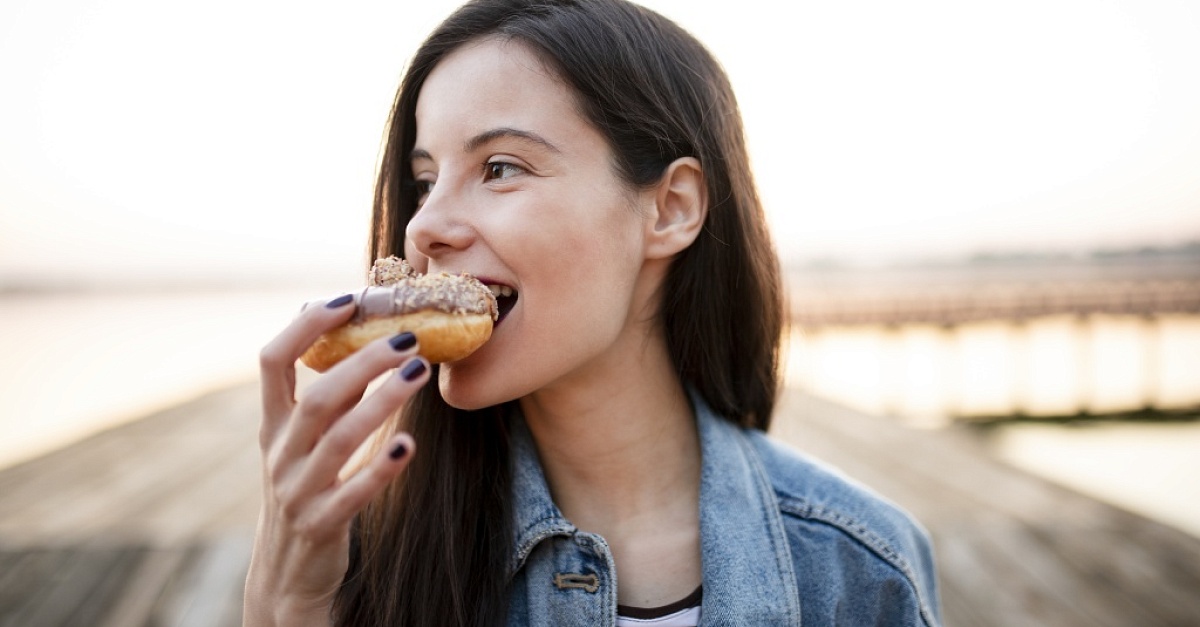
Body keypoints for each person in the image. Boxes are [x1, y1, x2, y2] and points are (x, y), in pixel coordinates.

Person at [244, 0, 941, 625]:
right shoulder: (357, 559)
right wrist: (289, 609)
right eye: (424, 181)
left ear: (670, 208)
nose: (423, 227)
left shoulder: (860, 569)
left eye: (500, 167)